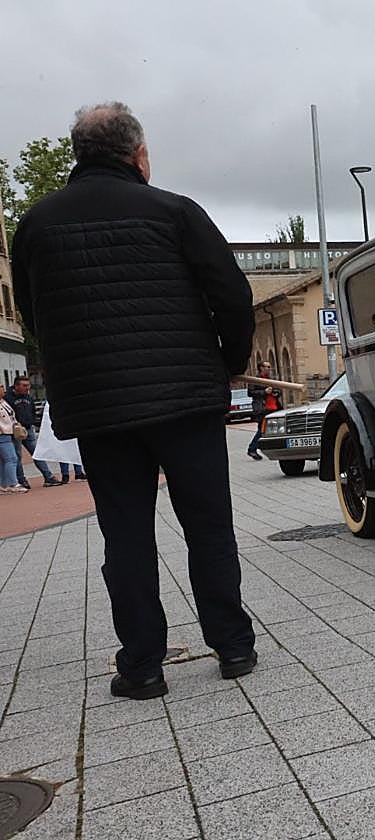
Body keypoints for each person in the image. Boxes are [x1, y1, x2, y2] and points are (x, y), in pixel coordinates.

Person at [12, 102, 257, 700]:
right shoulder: (174, 212)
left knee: (125, 535)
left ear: (78, 154)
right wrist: (223, 367)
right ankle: (232, 646)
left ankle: (144, 665)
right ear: (138, 154)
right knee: (208, 525)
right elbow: (233, 295)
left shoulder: (36, 226)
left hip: (102, 409)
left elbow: (32, 312)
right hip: (186, 400)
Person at [4, 376, 62, 488]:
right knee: (17, 456)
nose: (27, 388)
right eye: (24, 385)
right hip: (16, 430)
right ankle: (21, 480)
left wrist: (31, 421)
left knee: (37, 453)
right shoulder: (8, 398)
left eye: (28, 385)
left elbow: (32, 410)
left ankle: (48, 477)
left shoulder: (29, 397)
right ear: (16, 386)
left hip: (28, 428)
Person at [246, 360, 283, 460]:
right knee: (262, 430)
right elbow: (250, 393)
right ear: (261, 368)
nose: (269, 369)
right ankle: (252, 449)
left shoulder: (271, 379)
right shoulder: (255, 380)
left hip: (274, 407)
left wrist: (276, 392)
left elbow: (279, 390)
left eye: (269, 367)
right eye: (267, 367)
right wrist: (264, 392)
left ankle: (274, 448)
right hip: (263, 409)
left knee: (275, 430)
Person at [0, 398, 25, 494]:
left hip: (8, 432)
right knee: (11, 458)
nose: (2, 389)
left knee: (3, 461)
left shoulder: (3, 402)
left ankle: (3, 484)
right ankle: (12, 483)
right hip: (2, 434)